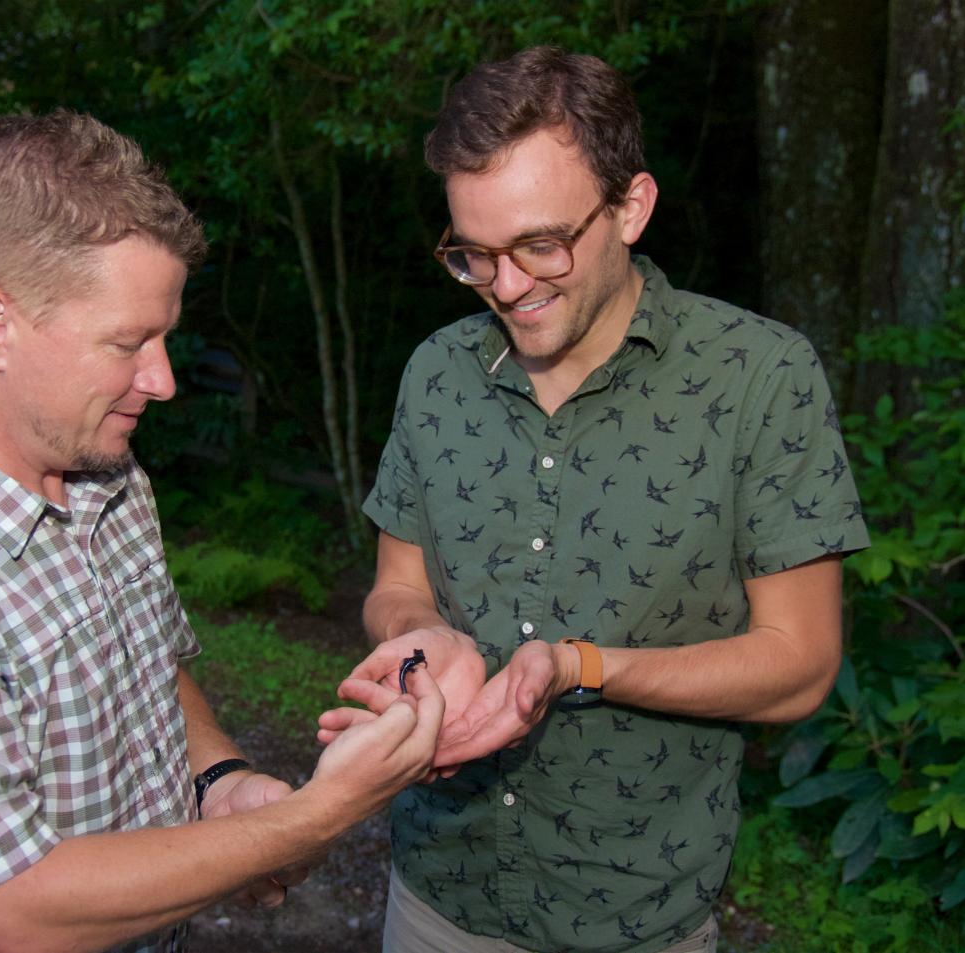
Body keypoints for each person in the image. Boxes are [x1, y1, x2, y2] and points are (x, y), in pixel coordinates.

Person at [0, 110, 444, 953]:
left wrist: (220, 783)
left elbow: (151, 670)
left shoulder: (105, 471)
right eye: (128, 341)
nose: (160, 379)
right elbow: (18, 910)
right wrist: (313, 817)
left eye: (164, 338)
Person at [318, 47, 870, 953]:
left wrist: (579, 665)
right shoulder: (436, 374)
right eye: (474, 253)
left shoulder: (761, 379)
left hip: (638, 911)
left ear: (630, 207)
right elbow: (395, 587)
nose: (506, 285)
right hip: (436, 894)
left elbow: (801, 663)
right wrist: (419, 639)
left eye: (540, 244)